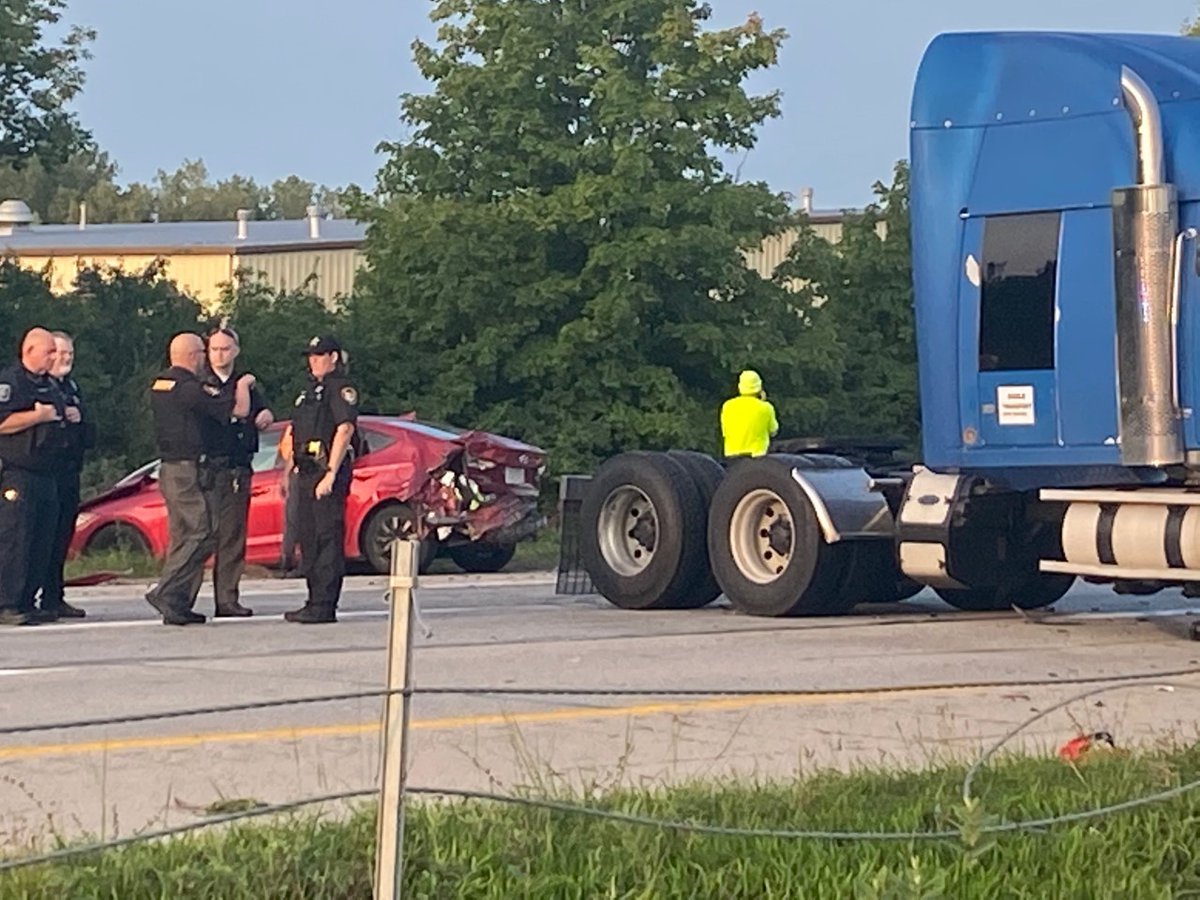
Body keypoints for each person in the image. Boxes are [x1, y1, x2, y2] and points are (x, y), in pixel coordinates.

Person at [144, 332, 254, 626]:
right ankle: (166, 591)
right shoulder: (189, 387)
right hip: (189, 469)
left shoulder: (161, 384)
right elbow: (238, 409)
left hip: (170, 467)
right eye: (203, 353)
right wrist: (243, 384)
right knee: (202, 531)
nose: (206, 358)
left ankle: (177, 603)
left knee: (184, 534)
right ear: (193, 356)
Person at [279, 335, 359, 624]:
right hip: (306, 470)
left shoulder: (340, 388)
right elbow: (296, 431)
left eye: (320, 355)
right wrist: (290, 470)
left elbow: (345, 429)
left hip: (326, 473)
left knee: (326, 537)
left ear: (334, 357)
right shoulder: (310, 391)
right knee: (308, 537)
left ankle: (325, 604)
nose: (313, 361)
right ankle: (313, 599)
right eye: (311, 356)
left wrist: (331, 473)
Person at [0, 328, 70, 626]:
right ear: (29, 351)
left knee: (43, 540)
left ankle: (29, 600)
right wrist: (37, 417)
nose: (53, 357)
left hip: (48, 472)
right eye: (49, 352)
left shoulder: (49, 385)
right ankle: (8, 602)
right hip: (19, 473)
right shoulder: (11, 383)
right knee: (17, 537)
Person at [204, 325, 273, 616]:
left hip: (238, 466)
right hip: (210, 466)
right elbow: (233, 411)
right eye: (215, 349)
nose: (220, 355)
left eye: (225, 349)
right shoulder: (202, 383)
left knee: (233, 535)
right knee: (202, 535)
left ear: (236, 351)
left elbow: (261, 411)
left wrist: (266, 415)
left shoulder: (246, 383)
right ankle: (183, 595)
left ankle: (227, 598)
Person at [37, 331, 95, 619]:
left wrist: (79, 418)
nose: (66, 359)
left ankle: (53, 596)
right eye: (60, 354)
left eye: (70, 354)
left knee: (61, 536)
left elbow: (90, 431)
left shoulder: (71, 387)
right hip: (46, 471)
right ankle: (24, 596)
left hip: (70, 471)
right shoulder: (39, 387)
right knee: (38, 538)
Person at [720, 369, 779, 459]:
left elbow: (724, 432)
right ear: (760, 387)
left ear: (739, 386)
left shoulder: (727, 406)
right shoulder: (766, 407)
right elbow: (773, 431)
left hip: (732, 458)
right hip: (757, 458)